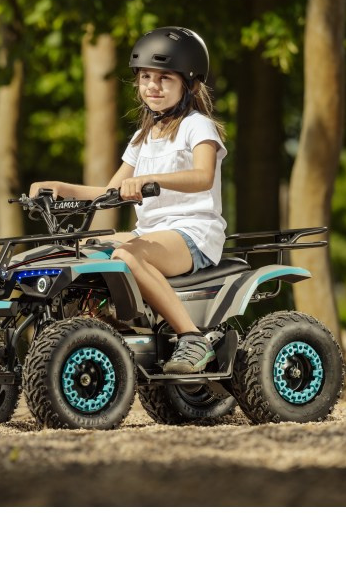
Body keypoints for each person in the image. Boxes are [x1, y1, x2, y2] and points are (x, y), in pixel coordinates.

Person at [30, 26, 227, 375]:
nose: (152, 86)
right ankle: (97, 327)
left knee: (126, 255)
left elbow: (203, 176)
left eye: (164, 78)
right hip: (150, 233)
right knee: (81, 249)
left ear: (190, 83)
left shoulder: (197, 126)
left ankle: (193, 337)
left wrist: (151, 180)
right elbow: (110, 193)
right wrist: (60, 187)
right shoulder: (142, 137)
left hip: (193, 233)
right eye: (145, 77)